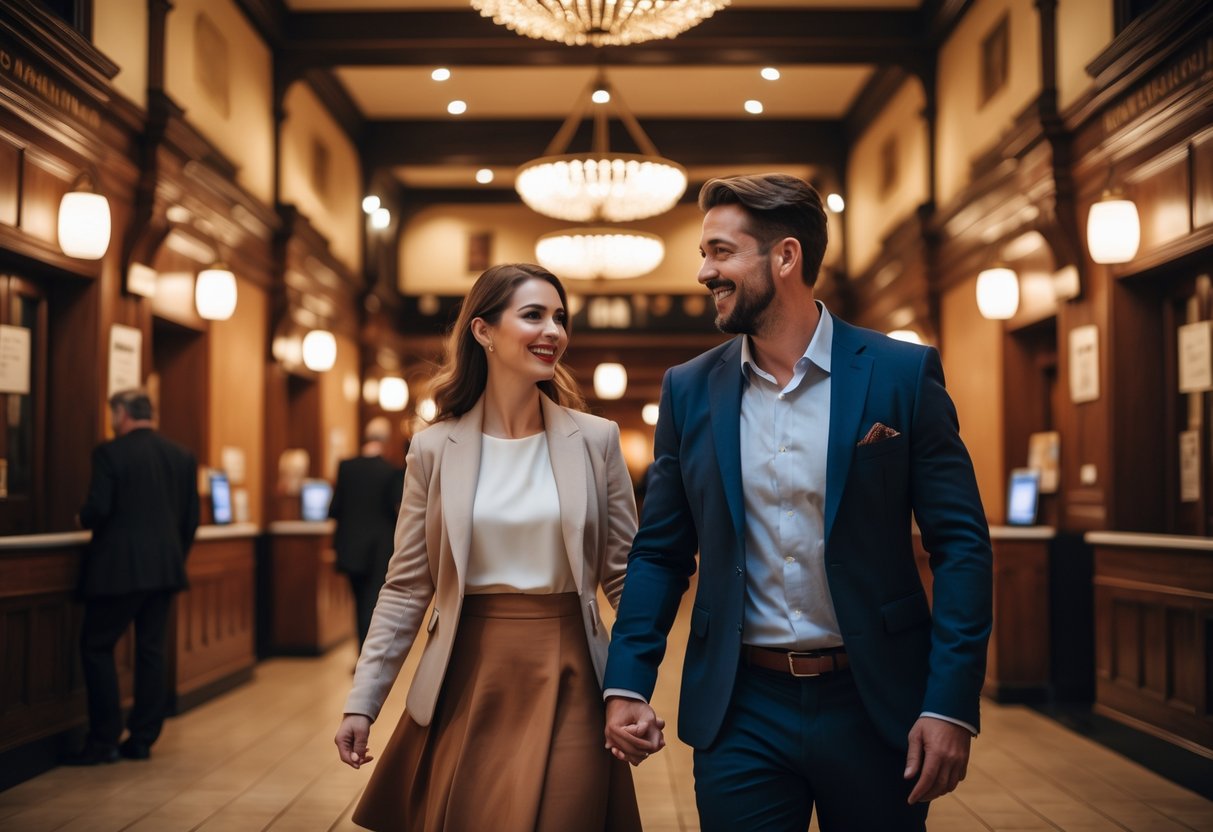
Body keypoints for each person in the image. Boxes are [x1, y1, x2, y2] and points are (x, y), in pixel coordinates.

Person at [602, 173, 994, 831]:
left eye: (719, 252)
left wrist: (949, 703)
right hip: (738, 706)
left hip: (874, 700)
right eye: (704, 254)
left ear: (784, 257)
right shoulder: (689, 390)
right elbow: (660, 553)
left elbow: (961, 547)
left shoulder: (901, 375)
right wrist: (626, 684)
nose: (704, 272)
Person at [334, 263, 643, 832]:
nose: (554, 330)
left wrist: (634, 685)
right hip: (466, 671)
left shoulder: (595, 440)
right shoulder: (432, 449)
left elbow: (626, 577)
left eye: (559, 318)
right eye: (533, 315)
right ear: (483, 331)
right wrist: (363, 700)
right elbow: (406, 587)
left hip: (572, 669)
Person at [68, 389, 200, 764]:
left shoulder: (110, 452)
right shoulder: (181, 455)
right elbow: (191, 519)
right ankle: (142, 738)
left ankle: (103, 740)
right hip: (166, 571)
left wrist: (82, 519)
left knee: (96, 645)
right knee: (151, 651)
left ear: (121, 413)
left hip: (118, 571)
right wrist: (174, 557)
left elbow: (98, 508)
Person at [329, 417, 405, 651]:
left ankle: (361, 650)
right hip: (378, 549)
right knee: (371, 602)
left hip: (350, 547)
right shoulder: (390, 471)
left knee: (357, 600)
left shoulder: (345, 467)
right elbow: (398, 509)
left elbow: (333, 509)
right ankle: (368, 654)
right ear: (386, 441)